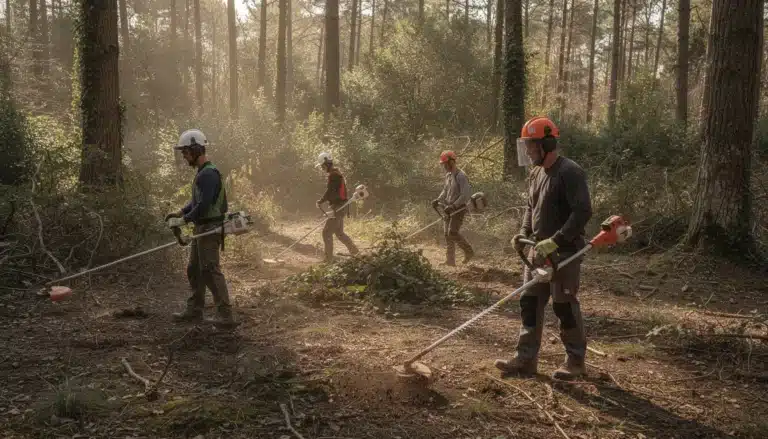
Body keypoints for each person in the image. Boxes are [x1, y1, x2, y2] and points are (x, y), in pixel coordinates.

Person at [495, 116, 592, 380]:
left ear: (547, 143)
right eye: (525, 145)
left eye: (531, 145)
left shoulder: (570, 172)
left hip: (565, 253)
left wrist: (557, 239)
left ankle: (575, 361)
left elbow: (582, 211)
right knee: (529, 303)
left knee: (564, 306)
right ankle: (526, 359)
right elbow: (531, 207)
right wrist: (523, 232)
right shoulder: (536, 172)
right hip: (536, 252)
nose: (527, 151)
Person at [165, 129, 238, 328]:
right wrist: (180, 213)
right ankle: (195, 309)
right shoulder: (203, 173)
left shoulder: (209, 174)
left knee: (210, 270)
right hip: (201, 227)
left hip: (210, 226)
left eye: (186, 152)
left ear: (197, 149)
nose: (184, 156)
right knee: (194, 269)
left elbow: (204, 205)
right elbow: (196, 200)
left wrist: (185, 220)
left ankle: (225, 314)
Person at [431, 150, 475, 266]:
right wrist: (438, 200)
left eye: (445, 164)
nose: (444, 166)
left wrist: (454, 205)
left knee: (452, 232)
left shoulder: (461, 176)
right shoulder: (448, 175)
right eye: (443, 164)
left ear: (451, 162)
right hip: (448, 207)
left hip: (458, 208)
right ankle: (450, 260)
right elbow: (445, 190)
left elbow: (465, 194)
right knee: (447, 234)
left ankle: (468, 251)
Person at [315, 151, 359, 262]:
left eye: (322, 166)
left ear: (326, 164)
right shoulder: (336, 173)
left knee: (326, 233)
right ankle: (356, 253)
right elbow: (333, 192)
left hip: (339, 207)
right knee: (339, 233)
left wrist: (321, 201)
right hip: (341, 206)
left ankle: (329, 259)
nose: (322, 168)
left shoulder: (334, 175)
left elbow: (330, 191)